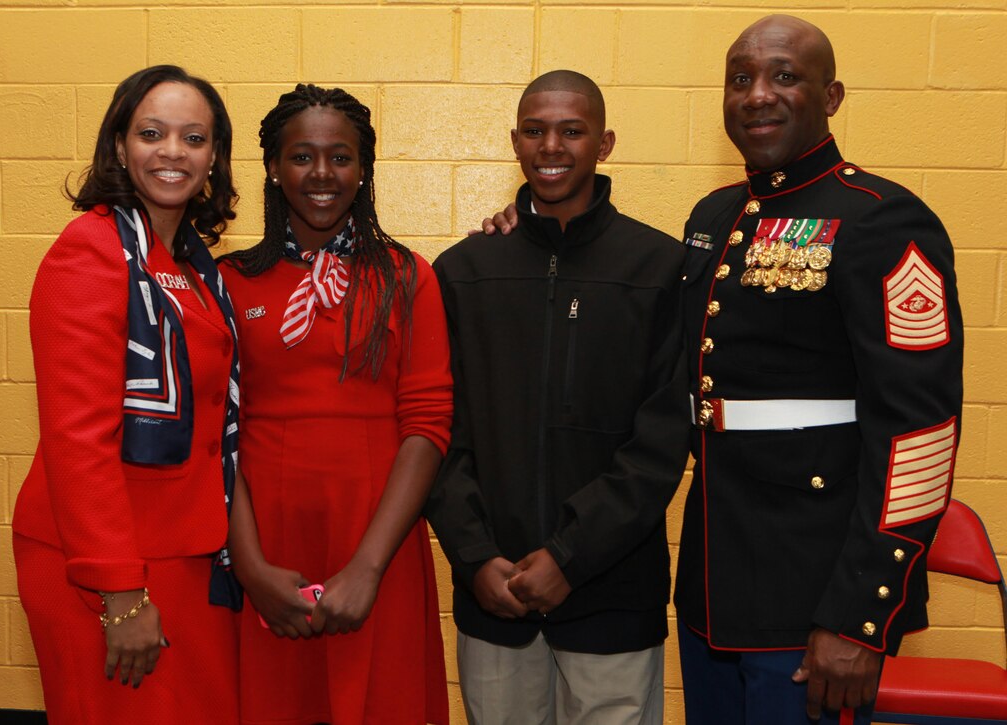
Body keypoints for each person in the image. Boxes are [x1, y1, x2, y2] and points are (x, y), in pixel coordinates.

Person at [480, 17, 963, 724]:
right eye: (740, 80)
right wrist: (523, 235)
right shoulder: (716, 216)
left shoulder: (883, 221)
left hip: (816, 592)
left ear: (830, 96)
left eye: (783, 76)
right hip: (716, 585)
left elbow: (920, 434)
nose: (757, 95)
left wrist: (864, 614)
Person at [428, 70, 688, 725]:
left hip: (612, 594)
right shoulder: (464, 271)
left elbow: (659, 443)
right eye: (536, 130)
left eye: (572, 131)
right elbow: (438, 431)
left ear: (603, 143)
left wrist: (570, 556)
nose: (552, 146)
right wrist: (475, 556)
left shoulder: (659, 269)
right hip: (496, 595)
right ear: (514, 141)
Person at [12, 65, 242, 724]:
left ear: (213, 157)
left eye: (193, 138)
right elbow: (77, 436)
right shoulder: (89, 251)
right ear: (119, 146)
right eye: (152, 133)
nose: (173, 151)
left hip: (186, 554)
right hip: (107, 566)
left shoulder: (195, 268)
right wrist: (121, 593)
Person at [219, 84, 451, 725]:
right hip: (267, 537)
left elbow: (428, 424)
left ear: (364, 168)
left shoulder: (408, 276)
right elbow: (218, 431)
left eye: (341, 157)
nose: (322, 174)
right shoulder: (228, 280)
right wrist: (249, 566)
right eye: (302, 156)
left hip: (378, 538)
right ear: (272, 166)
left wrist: (367, 567)